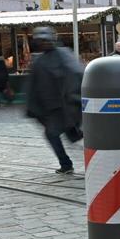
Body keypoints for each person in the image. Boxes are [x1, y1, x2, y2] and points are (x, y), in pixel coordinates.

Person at [26, 26, 84, 174]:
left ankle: (67, 163)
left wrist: (73, 99)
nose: (44, 43)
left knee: (62, 134)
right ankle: (66, 163)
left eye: (45, 40)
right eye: (41, 41)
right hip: (53, 109)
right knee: (55, 134)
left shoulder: (63, 55)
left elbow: (76, 75)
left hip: (65, 106)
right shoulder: (40, 61)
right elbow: (35, 85)